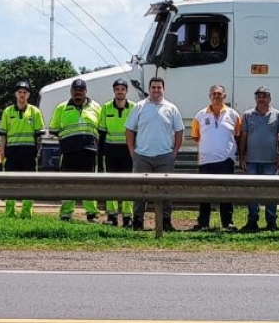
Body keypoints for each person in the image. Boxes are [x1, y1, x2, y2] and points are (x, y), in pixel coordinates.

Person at [124, 76, 184, 231]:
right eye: (153, 87)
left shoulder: (171, 108)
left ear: (164, 89)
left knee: (165, 190)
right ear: (149, 89)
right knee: (141, 190)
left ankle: (165, 221)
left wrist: (174, 152)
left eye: (159, 87)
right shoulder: (139, 107)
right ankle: (137, 221)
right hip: (142, 156)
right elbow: (129, 130)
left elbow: (179, 131)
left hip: (165, 157)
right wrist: (133, 152)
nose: (156, 90)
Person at [49, 78, 104, 221]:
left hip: (89, 152)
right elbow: (54, 129)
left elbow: (102, 128)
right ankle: (66, 213)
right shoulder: (61, 108)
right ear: (71, 92)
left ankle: (91, 213)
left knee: (89, 184)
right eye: (75, 90)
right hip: (69, 152)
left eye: (81, 90)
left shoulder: (96, 107)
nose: (78, 93)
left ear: (85, 91)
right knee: (67, 183)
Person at [191, 84, 241, 232]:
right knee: (204, 194)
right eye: (214, 94)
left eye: (219, 94)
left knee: (226, 193)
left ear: (224, 96)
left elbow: (238, 135)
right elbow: (195, 136)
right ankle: (203, 223)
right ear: (209, 96)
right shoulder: (200, 115)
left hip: (226, 161)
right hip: (206, 161)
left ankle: (227, 223)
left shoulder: (233, 115)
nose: (216, 96)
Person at [238, 86, 279, 232]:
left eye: (264, 96)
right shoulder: (248, 115)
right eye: (259, 96)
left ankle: (271, 222)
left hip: (271, 162)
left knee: (271, 193)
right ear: (255, 98)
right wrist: (242, 158)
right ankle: (252, 221)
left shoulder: (278, 115)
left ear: (269, 98)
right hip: (252, 161)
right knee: (252, 192)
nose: (261, 98)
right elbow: (243, 138)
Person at [0, 81, 45, 218]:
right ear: (15, 94)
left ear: (28, 94)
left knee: (29, 184)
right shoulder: (8, 111)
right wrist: (2, 153)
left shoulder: (35, 111)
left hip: (29, 152)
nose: (22, 95)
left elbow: (39, 136)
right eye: (20, 92)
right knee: (10, 184)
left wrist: (38, 152)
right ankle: (10, 212)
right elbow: (3, 136)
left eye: (25, 92)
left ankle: (26, 213)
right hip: (12, 152)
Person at [99, 78, 136, 227]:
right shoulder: (106, 107)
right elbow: (101, 132)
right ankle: (112, 216)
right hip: (111, 151)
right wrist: (100, 154)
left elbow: (136, 131)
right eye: (117, 89)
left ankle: (128, 217)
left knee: (129, 184)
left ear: (126, 91)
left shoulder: (133, 107)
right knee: (111, 183)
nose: (120, 92)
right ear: (114, 91)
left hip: (128, 151)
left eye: (122, 89)